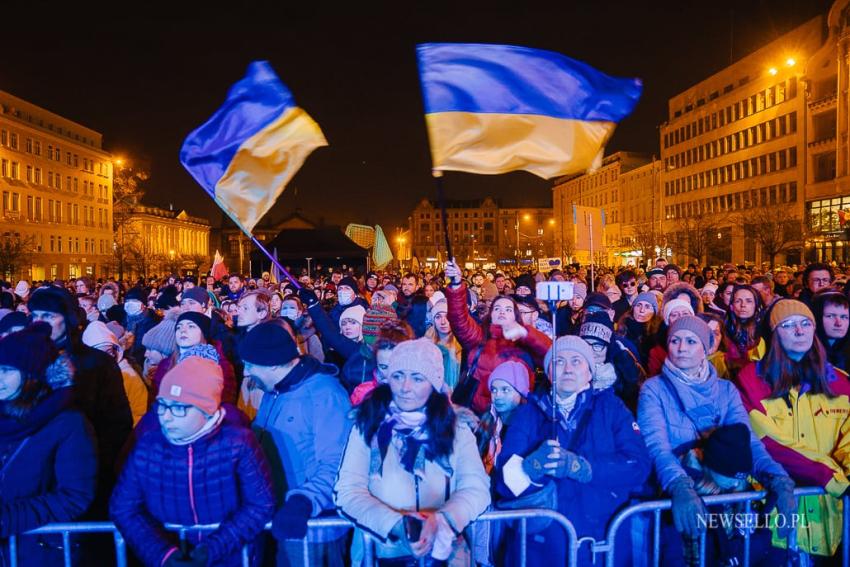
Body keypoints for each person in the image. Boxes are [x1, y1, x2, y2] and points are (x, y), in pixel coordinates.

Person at [637, 315, 795, 565]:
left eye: (691, 341)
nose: (681, 347)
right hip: (683, 501)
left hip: (729, 503)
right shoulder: (654, 389)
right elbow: (657, 445)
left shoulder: (726, 390)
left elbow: (748, 441)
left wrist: (778, 478)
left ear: (707, 348)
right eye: (675, 340)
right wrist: (680, 485)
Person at [495, 336, 650, 565]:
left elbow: (639, 465)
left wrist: (583, 468)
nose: (567, 368)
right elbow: (503, 483)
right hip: (543, 549)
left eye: (576, 361)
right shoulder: (528, 414)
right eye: (558, 362)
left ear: (589, 372)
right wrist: (531, 468)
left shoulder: (612, 408)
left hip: (601, 542)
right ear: (548, 373)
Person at [334, 338, 491, 564]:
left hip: (445, 555)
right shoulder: (368, 424)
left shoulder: (455, 427)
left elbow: (476, 487)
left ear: (434, 383)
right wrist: (397, 525)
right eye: (398, 376)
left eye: (417, 378)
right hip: (380, 554)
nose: (405, 387)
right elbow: (348, 491)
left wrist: (444, 520)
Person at [111, 357, 276, 567]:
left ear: (207, 410)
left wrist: (212, 549)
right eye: (162, 406)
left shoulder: (238, 444)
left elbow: (260, 504)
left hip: (230, 559)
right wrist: (163, 554)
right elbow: (123, 508)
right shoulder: (148, 447)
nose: (166, 417)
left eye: (179, 408)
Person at [736, 300, 850, 559]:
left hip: (833, 522)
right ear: (774, 334)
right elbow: (770, 444)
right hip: (778, 523)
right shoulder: (751, 380)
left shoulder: (840, 381)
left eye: (805, 323)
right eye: (788, 325)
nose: (799, 331)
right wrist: (833, 478)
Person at [242, 321, 352, 566]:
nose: (246, 371)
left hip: (313, 525)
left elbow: (337, 462)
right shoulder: (275, 391)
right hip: (282, 517)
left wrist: (304, 501)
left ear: (271, 363)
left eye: (250, 364)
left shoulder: (325, 395)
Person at [27, 286, 132, 514]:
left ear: (67, 318)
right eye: (35, 316)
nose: (39, 322)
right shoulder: (24, 362)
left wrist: (92, 463)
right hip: (33, 477)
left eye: (48, 316)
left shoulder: (97, 364)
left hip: (85, 476)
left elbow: (117, 422)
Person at [0, 324, 97, 566]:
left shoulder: (68, 423)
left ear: (33, 375)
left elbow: (76, 496)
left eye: (7, 371)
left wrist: (8, 518)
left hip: (38, 551)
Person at [444, 260, 551, 413]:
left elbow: (550, 354)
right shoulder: (479, 336)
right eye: (497, 308)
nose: (502, 311)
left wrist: (526, 333)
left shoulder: (525, 341)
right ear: (491, 314)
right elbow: (459, 319)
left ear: (515, 315)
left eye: (508, 309)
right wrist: (456, 286)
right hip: (481, 415)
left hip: (516, 416)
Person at [82, 321, 149, 426]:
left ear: (115, 350)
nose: (105, 357)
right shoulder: (82, 378)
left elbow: (140, 413)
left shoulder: (129, 376)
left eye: (108, 351)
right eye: (99, 352)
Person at [724, 285, 766, 373]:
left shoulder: (765, 329)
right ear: (731, 305)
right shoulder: (723, 328)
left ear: (756, 305)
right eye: (738, 301)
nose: (743, 305)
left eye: (749, 301)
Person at [425, 293, 462, 389]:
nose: (443, 321)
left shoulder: (461, 346)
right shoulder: (426, 345)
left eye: (447, 317)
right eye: (438, 317)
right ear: (433, 320)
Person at [812, 290, 850, 373]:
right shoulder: (806, 351)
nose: (839, 323)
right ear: (817, 317)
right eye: (830, 316)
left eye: (844, 317)